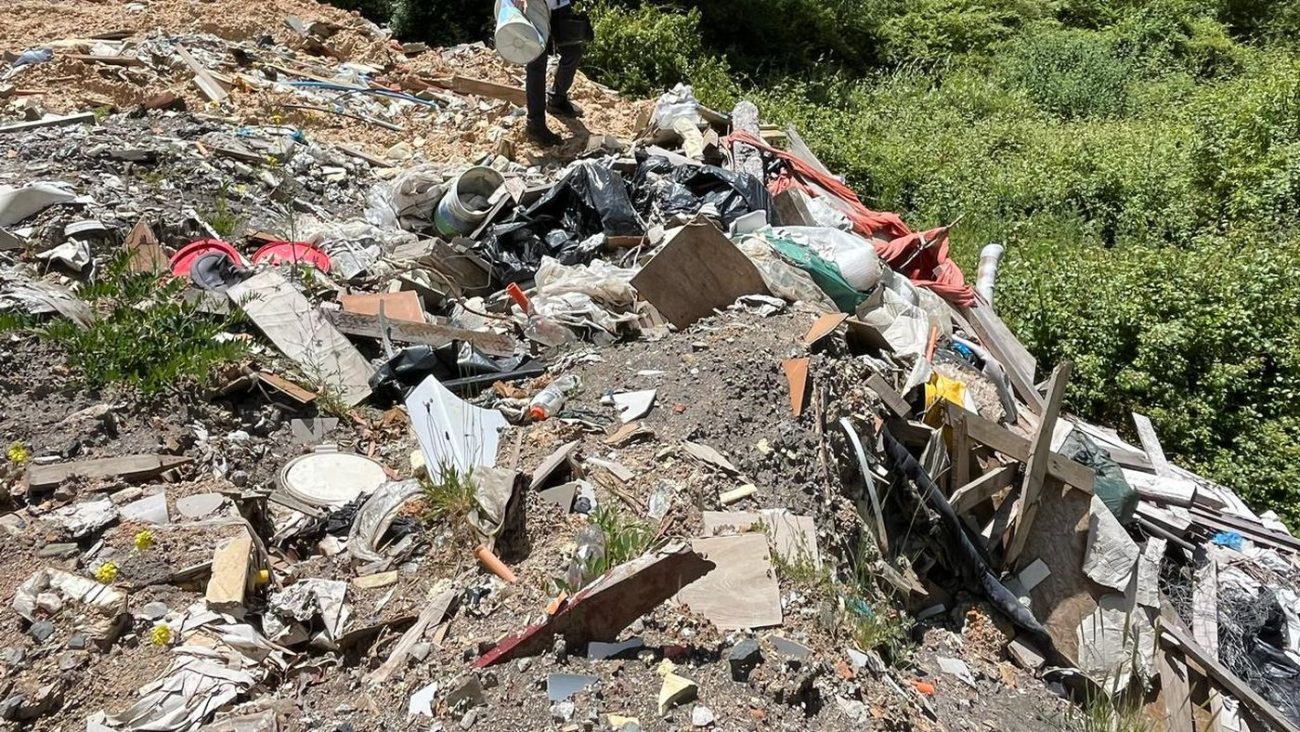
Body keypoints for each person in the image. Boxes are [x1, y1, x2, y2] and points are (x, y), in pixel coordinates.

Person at [521, 0, 588, 146]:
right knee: (537, 63)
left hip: (559, 4)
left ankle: (557, 99)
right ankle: (535, 124)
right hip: (534, 5)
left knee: (573, 52)